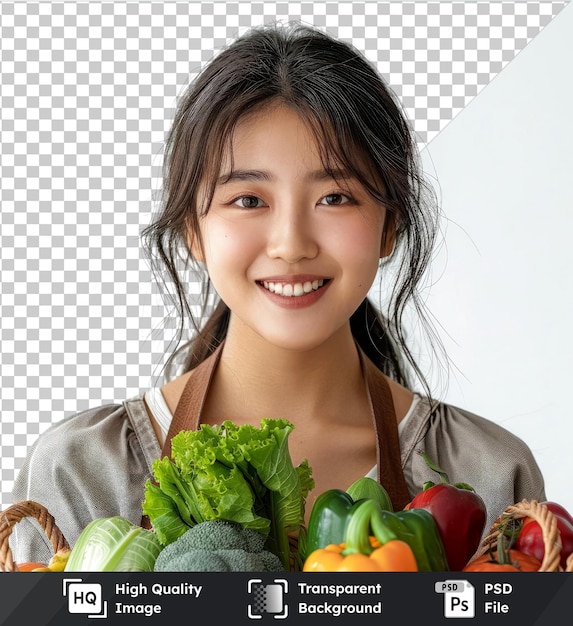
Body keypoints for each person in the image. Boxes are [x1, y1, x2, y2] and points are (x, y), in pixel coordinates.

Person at [9, 21, 545, 566]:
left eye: (335, 197)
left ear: (390, 227)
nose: (291, 244)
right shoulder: (81, 471)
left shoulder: (488, 474)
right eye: (248, 200)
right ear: (193, 229)